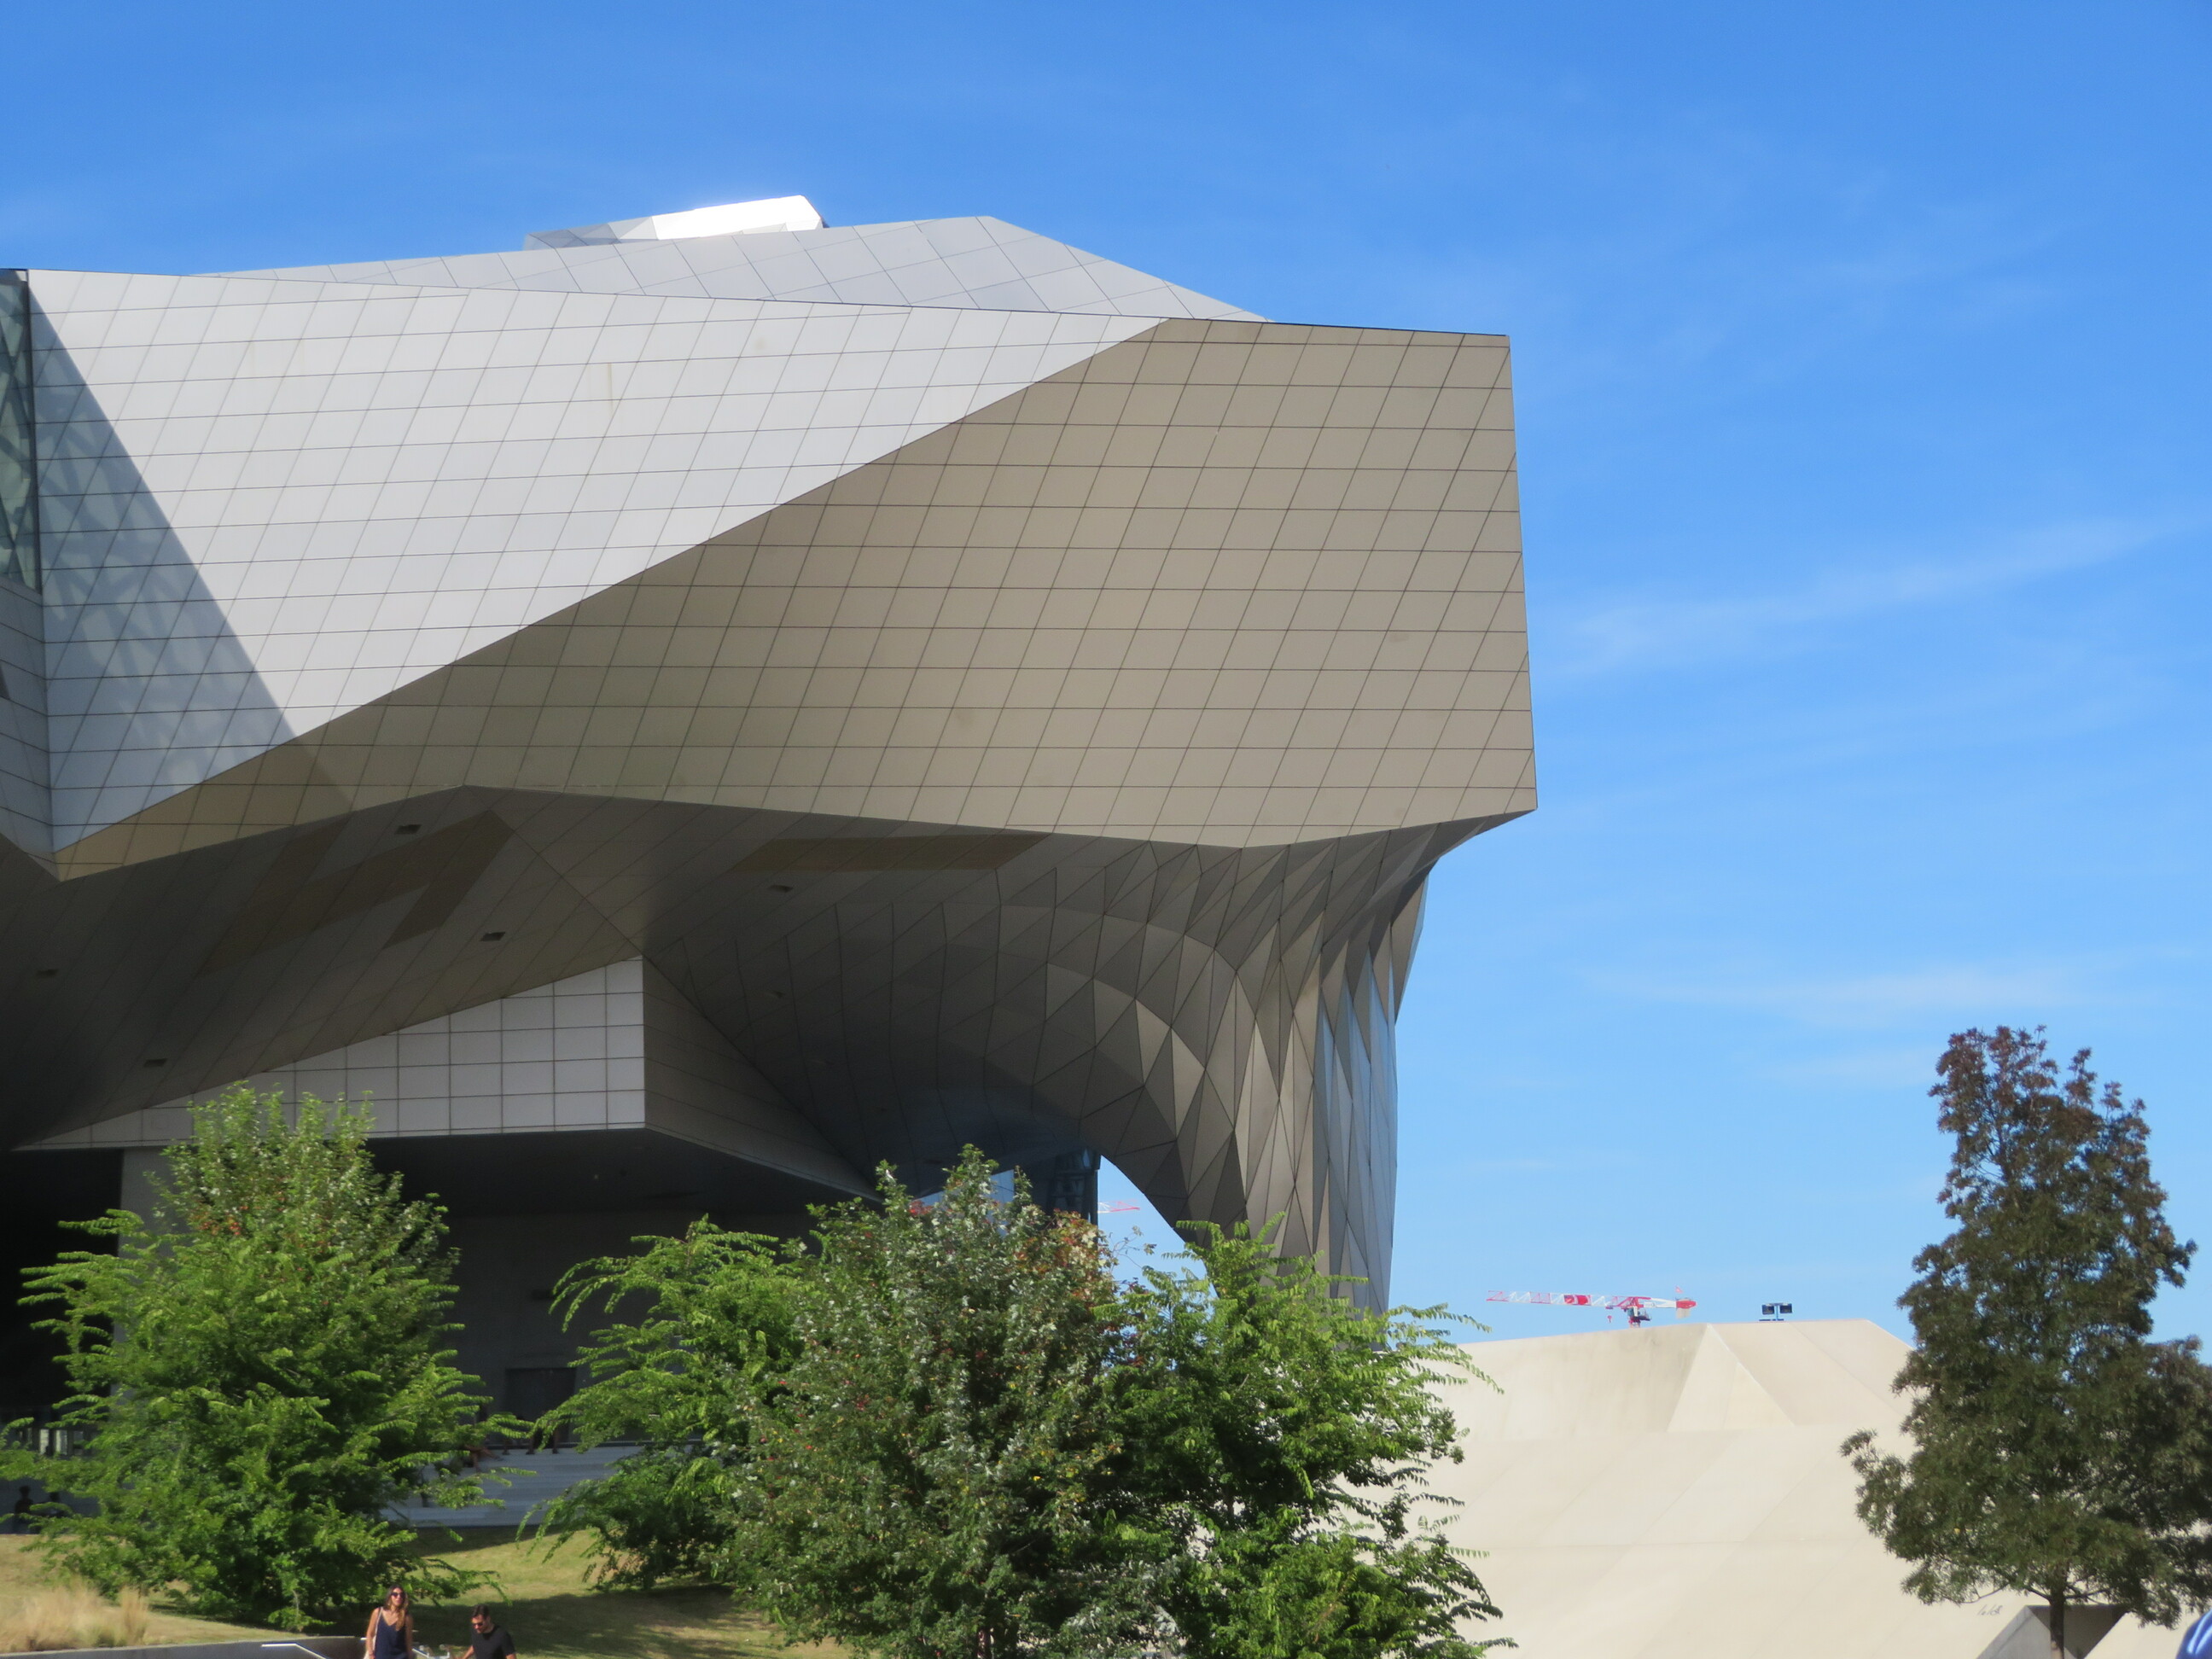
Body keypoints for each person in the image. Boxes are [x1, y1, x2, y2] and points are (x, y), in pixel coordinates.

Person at [364, 1586, 415, 1659]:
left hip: (400, 1656)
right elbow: (370, 1634)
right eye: (395, 1594)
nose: (399, 1597)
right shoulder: (378, 1612)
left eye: (401, 1595)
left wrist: (410, 1656)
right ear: (389, 1596)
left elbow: (408, 1640)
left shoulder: (406, 1617)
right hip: (380, 1656)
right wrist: (371, 1654)